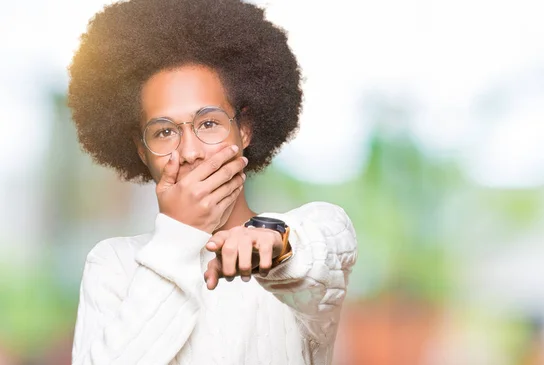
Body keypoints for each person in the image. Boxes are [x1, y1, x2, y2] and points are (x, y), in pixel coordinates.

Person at [67, 0, 358, 364]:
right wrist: (182, 235)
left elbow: (320, 251)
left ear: (245, 129)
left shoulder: (309, 232)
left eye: (208, 123)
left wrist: (275, 246)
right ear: (142, 152)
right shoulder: (112, 263)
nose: (189, 151)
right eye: (164, 132)